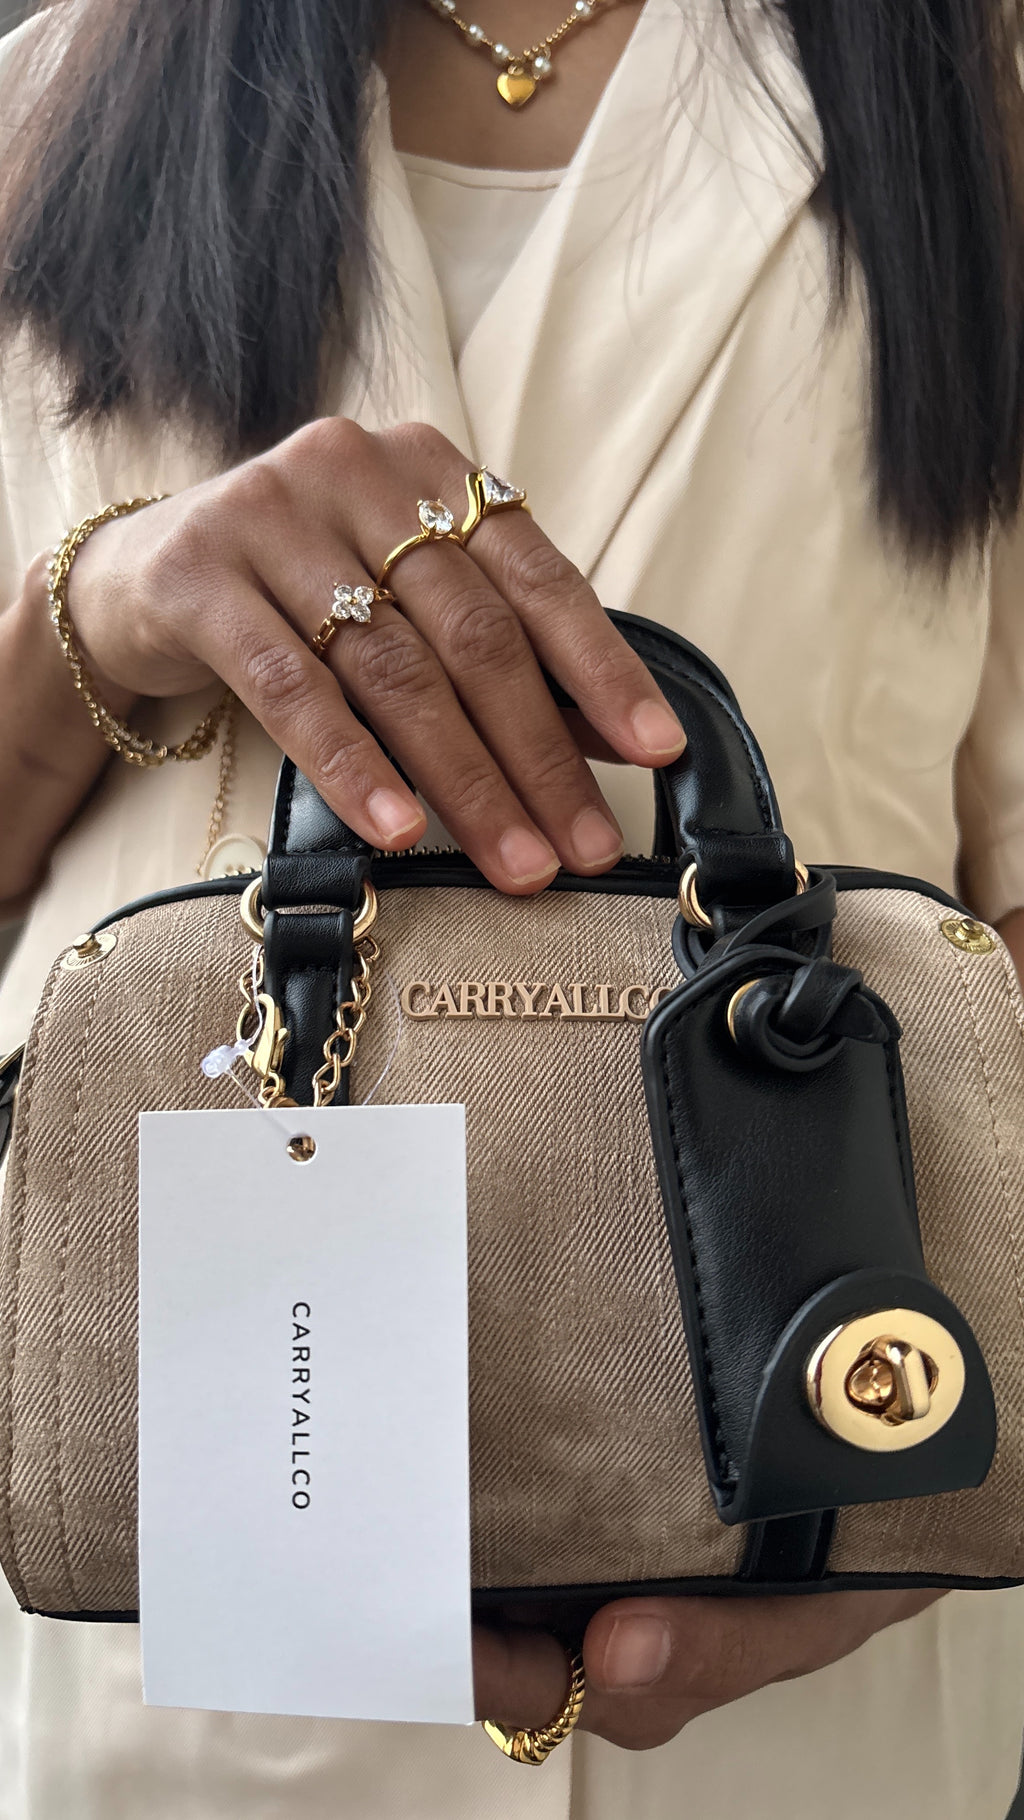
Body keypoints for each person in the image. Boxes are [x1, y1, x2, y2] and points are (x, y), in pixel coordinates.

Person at [0, 0, 1023, 1814]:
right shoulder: (38, 104)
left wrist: (964, 1458)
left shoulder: (979, 98)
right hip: (169, 1612)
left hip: (830, 1544)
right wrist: (95, 606)